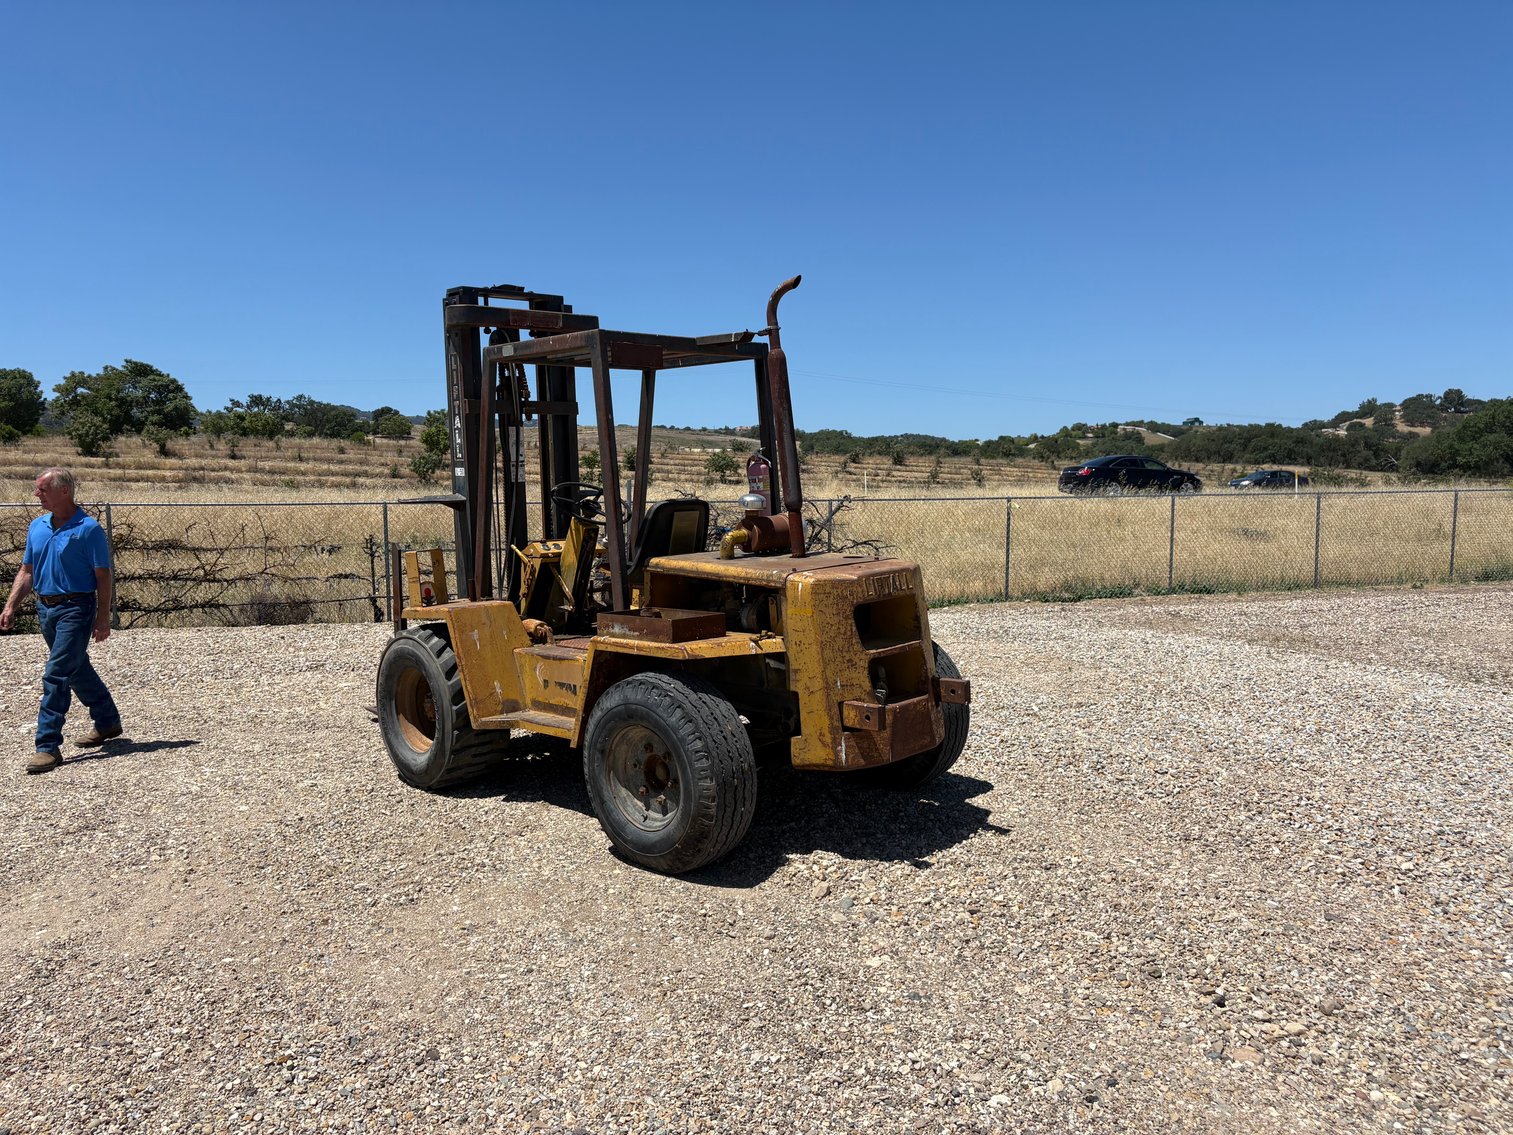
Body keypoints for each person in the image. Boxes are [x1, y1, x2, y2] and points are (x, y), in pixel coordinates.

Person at [0, 468, 123, 773]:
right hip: (46, 610)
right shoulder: (37, 527)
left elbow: (103, 576)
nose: (36, 494)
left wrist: (102, 618)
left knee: (56, 673)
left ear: (63, 491)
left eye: (41, 489)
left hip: (76, 608)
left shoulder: (89, 529)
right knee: (76, 666)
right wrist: (11, 605)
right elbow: (27, 571)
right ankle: (107, 721)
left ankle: (47, 746)